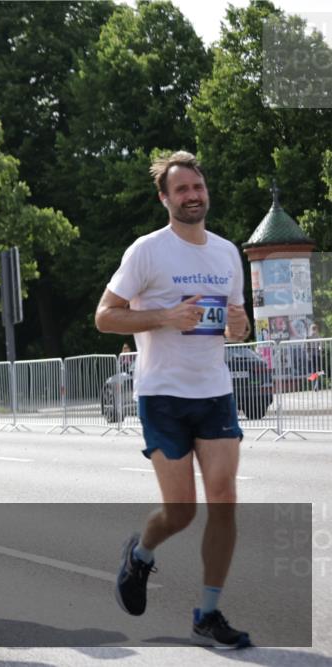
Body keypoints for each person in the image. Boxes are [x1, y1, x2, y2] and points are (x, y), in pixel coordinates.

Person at [95, 151, 251, 649]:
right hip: (162, 394)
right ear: (165, 199)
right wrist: (165, 317)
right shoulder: (147, 251)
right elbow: (105, 316)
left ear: (207, 192)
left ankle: (207, 613)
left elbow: (236, 320)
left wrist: (239, 325)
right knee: (181, 511)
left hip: (215, 391)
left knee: (224, 499)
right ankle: (140, 554)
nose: (192, 196)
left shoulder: (227, 252)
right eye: (181, 189)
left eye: (197, 187)